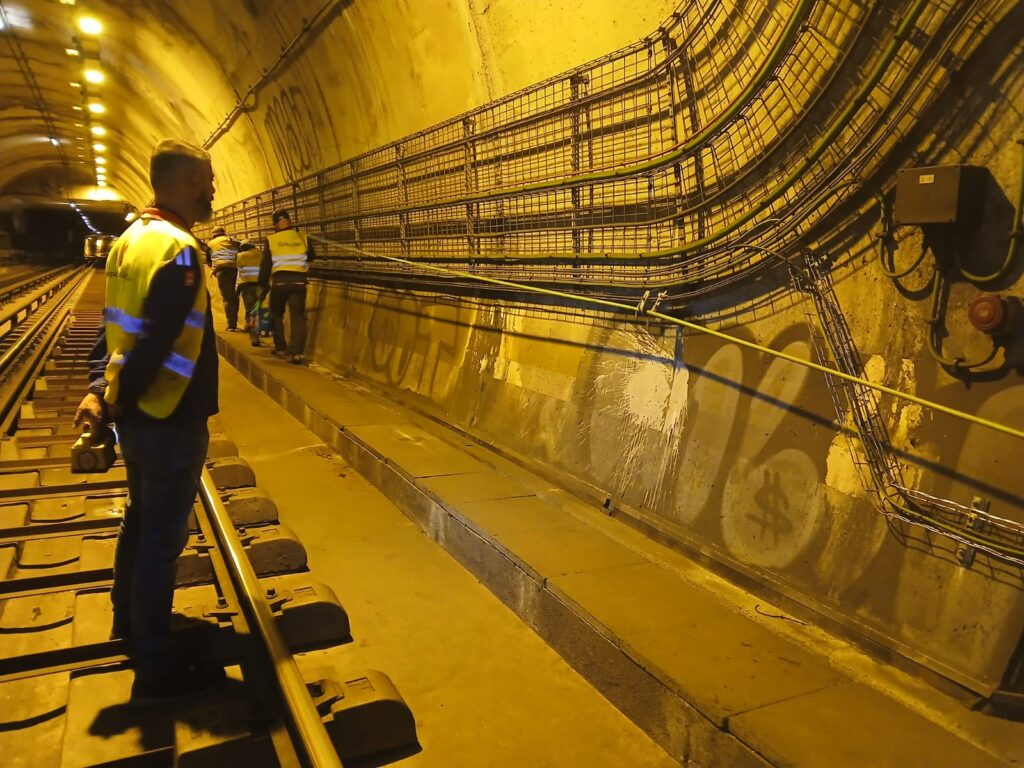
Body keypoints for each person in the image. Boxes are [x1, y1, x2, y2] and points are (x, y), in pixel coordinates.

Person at [74, 139, 224, 706]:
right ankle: (156, 668)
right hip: (169, 413)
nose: (212, 191)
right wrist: (114, 399)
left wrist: (102, 390)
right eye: (207, 181)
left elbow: (114, 326)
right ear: (185, 183)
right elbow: (156, 341)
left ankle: (128, 624)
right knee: (162, 541)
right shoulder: (180, 249)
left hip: (140, 417)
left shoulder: (130, 241)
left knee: (139, 523)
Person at [259, 208, 314, 364]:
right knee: (298, 316)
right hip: (299, 281)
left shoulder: (271, 239)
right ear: (289, 221)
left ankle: (281, 347)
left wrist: (262, 286)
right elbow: (312, 255)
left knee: (276, 314)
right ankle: (297, 353)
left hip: (280, 282)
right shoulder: (303, 237)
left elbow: (266, 265)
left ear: (275, 224)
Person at [206, 225, 240, 331]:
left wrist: (214, 270)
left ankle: (231, 325)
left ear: (214, 235)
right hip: (234, 269)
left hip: (221, 271)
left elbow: (208, 260)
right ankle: (235, 321)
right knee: (234, 296)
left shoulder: (210, 244)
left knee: (227, 298)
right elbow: (241, 248)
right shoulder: (232, 241)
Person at [235, 240, 263, 347]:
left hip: (246, 286)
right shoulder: (261, 254)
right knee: (259, 310)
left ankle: (254, 335)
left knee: (250, 310)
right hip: (259, 285)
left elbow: (238, 268)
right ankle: (260, 332)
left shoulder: (240, 256)